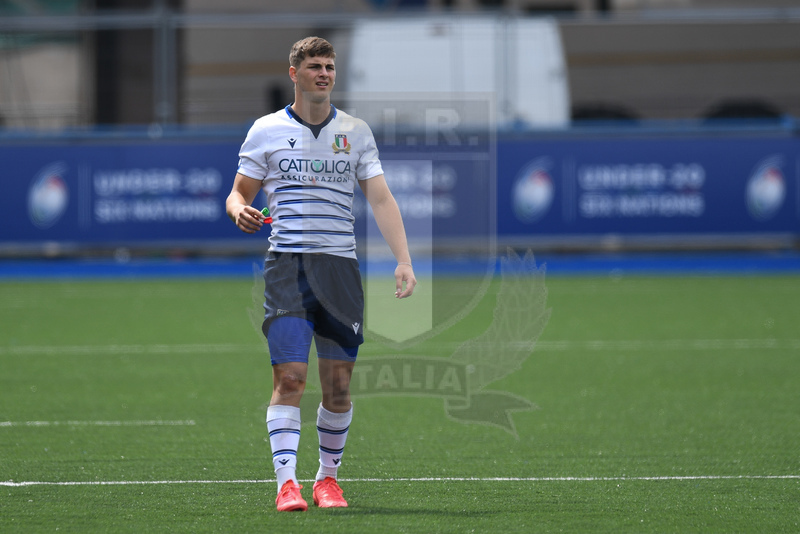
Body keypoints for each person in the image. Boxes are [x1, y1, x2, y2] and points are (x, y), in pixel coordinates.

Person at [226, 36, 416, 512]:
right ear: (294, 73)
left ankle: (326, 479)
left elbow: (380, 198)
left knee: (338, 386)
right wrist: (238, 210)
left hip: (340, 272)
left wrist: (404, 260)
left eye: (329, 66)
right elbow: (238, 193)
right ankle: (286, 484)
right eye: (314, 66)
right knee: (290, 377)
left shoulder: (355, 131)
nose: (324, 74)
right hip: (287, 267)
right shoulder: (265, 131)